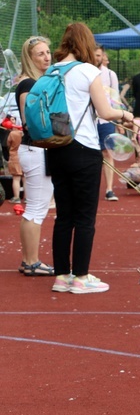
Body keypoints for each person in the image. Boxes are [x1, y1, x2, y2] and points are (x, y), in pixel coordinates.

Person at [46, 22, 136, 294]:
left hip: (56, 147)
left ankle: (61, 276)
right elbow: (106, 112)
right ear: (86, 43)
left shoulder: (51, 70)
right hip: (83, 147)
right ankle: (81, 276)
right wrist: (126, 115)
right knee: (85, 217)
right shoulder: (88, 71)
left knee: (64, 216)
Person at [13, 35, 55, 276]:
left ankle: (30, 260)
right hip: (35, 149)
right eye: (40, 53)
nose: (47, 56)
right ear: (30, 58)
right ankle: (31, 261)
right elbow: (30, 121)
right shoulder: (29, 84)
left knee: (37, 208)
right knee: (36, 209)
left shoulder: (36, 82)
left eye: (48, 52)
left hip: (38, 149)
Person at [95, 44, 120, 202]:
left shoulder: (110, 75)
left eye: (99, 55)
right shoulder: (85, 72)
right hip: (89, 122)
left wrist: (118, 122)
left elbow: (115, 100)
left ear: (103, 56)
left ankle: (109, 189)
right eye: (94, 55)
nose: (97, 58)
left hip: (106, 120)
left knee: (107, 153)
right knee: (91, 156)